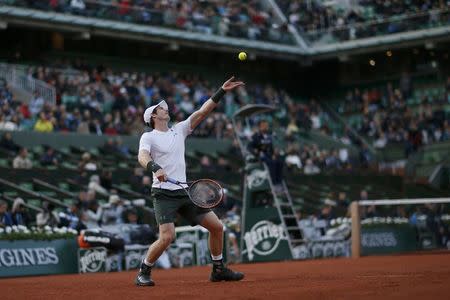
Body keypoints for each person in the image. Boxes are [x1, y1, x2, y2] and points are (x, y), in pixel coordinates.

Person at [135, 77, 244, 286]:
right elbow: (142, 157)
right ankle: (144, 271)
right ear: (154, 116)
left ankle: (218, 269)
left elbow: (203, 112)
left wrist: (221, 90)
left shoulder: (180, 129)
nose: (166, 110)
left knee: (217, 227)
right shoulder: (148, 137)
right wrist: (154, 168)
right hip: (163, 193)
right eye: (161, 109)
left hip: (185, 191)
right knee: (167, 237)